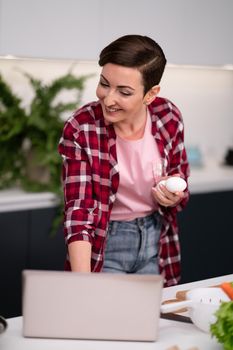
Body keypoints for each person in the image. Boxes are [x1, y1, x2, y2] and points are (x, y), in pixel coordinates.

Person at [58, 34, 190, 286]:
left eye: (124, 91)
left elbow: (180, 178)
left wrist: (175, 194)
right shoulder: (81, 127)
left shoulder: (169, 116)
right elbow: (79, 211)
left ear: (150, 94)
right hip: (105, 243)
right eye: (104, 83)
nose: (108, 99)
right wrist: (81, 285)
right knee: (104, 322)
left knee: (153, 323)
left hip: (156, 242)